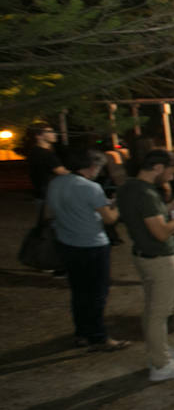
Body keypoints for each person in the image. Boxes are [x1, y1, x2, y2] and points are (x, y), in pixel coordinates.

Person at [116, 150, 174, 382]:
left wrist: (169, 208)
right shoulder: (146, 194)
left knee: (153, 310)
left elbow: (146, 218)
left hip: (143, 254)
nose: (172, 177)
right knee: (159, 312)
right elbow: (162, 233)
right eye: (171, 171)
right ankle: (161, 365)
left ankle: (159, 351)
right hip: (159, 259)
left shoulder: (128, 187)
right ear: (159, 168)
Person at [47, 147, 125, 350]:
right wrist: (117, 205)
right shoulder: (91, 187)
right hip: (92, 244)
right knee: (97, 293)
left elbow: (49, 213)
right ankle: (98, 336)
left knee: (79, 291)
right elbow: (110, 218)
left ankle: (81, 333)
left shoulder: (55, 183)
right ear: (92, 166)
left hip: (67, 243)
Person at [24, 122, 68, 202]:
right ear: (38, 136)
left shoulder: (34, 151)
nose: (54, 134)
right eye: (49, 132)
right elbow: (62, 172)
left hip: (41, 195)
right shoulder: (46, 154)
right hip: (51, 196)